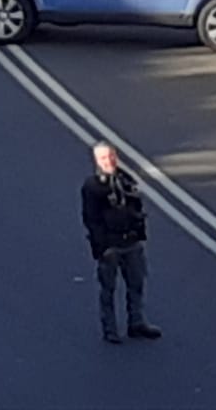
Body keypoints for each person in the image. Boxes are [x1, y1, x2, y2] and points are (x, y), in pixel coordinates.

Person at [81, 142, 161, 344]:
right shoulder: (93, 187)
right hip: (111, 245)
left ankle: (137, 322)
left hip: (131, 241)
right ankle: (110, 329)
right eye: (103, 158)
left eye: (111, 157)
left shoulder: (125, 179)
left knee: (137, 283)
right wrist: (102, 247)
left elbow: (136, 205)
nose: (108, 161)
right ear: (96, 161)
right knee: (108, 288)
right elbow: (91, 219)